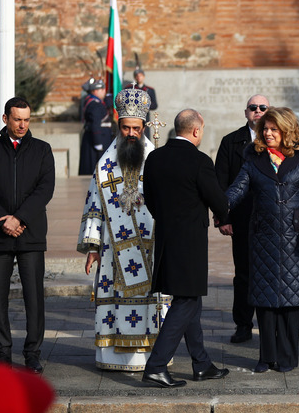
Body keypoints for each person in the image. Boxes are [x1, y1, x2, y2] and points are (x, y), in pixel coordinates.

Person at [224, 107, 299, 373]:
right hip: (264, 237)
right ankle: (266, 357)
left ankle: (288, 358)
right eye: (265, 129)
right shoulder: (253, 159)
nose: (268, 133)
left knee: (291, 300)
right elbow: (237, 190)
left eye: (273, 129)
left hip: (296, 239)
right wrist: (216, 202)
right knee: (265, 300)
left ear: (286, 131)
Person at [77, 88, 167, 371]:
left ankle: (151, 355)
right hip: (112, 248)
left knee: (150, 302)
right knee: (116, 303)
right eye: (125, 127)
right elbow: (94, 204)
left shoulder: (157, 159)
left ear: (144, 127)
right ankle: (113, 357)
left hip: (150, 246)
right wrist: (92, 248)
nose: (130, 133)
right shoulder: (104, 164)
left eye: (136, 128)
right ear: (119, 126)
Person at [141, 109, 231, 387]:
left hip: (167, 237)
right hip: (190, 241)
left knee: (190, 298)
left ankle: (201, 364)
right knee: (186, 301)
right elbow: (217, 198)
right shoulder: (199, 160)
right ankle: (156, 365)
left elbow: (150, 199)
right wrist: (224, 215)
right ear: (195, 131)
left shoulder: (154, 157)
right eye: (201, 131)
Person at [0, 97, 56, 374]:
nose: (22, 125)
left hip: (30, 233)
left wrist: (19, 218)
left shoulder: (42, 150)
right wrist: (3, 221)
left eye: (27, 119)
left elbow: (45, 189)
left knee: (34, 297)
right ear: (6, 118)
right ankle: (2, 354)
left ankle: (32, 353)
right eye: (17, 119)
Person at [215, 93, 270, 344]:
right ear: (246, 112)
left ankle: (270, 324)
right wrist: (222, 217)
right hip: (242, 217)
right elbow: (221, 181)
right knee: (244, 273)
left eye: (262, 107)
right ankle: (243, 324)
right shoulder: (231, 141)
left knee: (270, 272)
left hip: (272, 219)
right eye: (252, 108)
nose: (257, 111)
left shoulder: (278, 139)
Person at [79, 78, 113, 175]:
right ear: (95, 91)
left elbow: (105, 104)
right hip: (98, 139)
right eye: (102, 90)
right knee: (95, 168)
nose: (104, 92)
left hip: (99, 137)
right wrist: (97, 142)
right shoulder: (94, 104)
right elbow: (95, 124)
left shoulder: (94, 101)